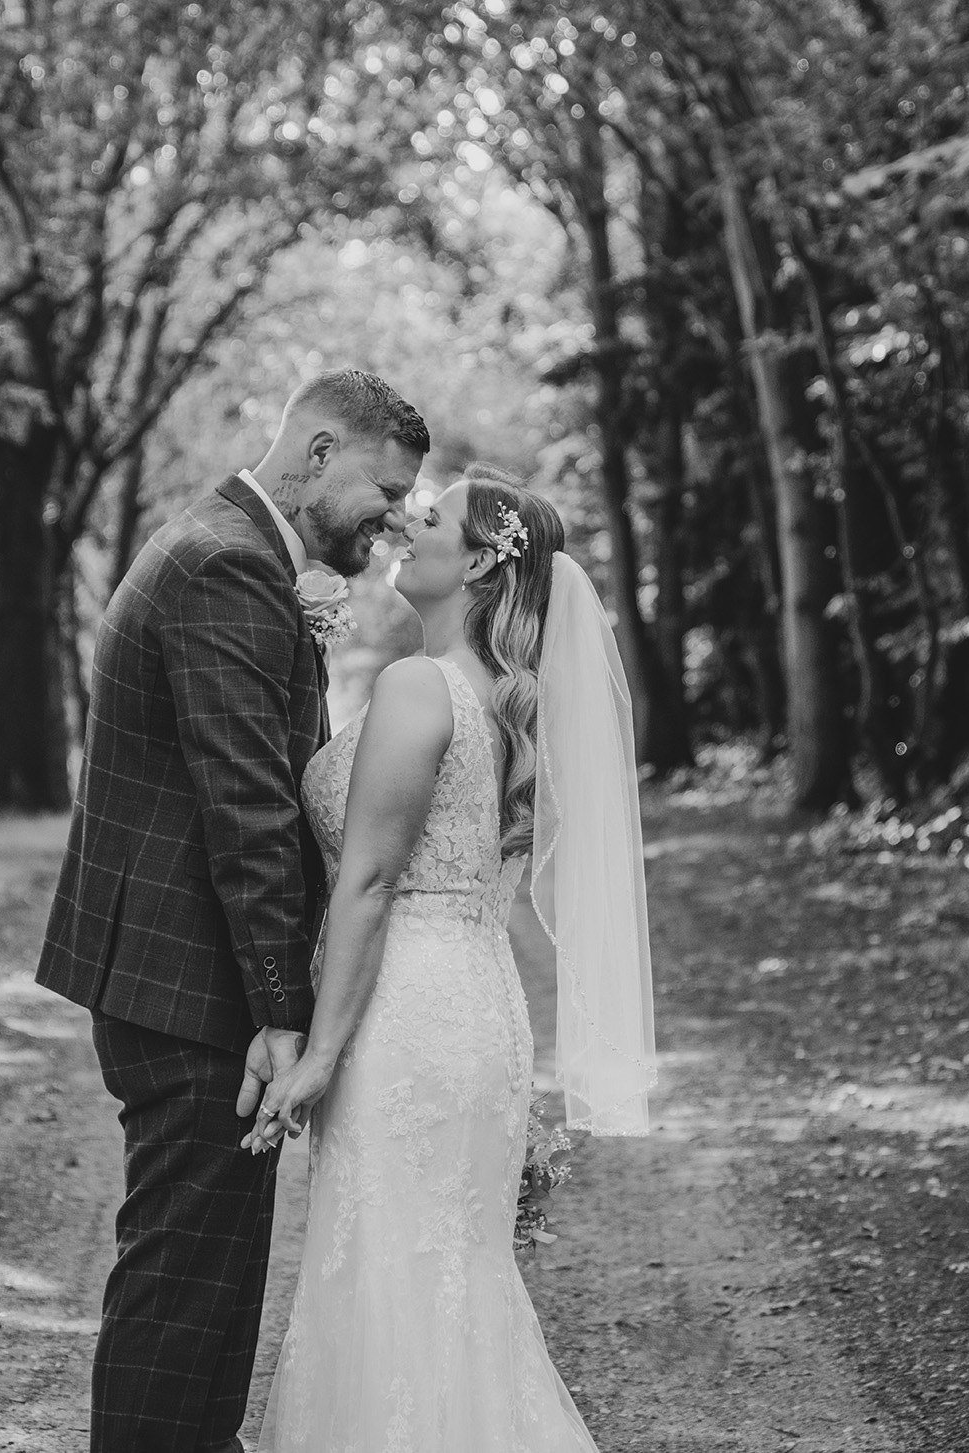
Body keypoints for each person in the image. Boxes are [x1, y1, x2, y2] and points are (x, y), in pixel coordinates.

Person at [35, 369, 428, 1453]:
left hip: (180, 971)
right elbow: (245, 809)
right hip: (188, 982)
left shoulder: (232, 551)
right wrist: (280, 1012)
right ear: (314, 453)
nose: (394, 516)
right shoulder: (222, 568)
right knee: (181, 1280)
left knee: (208, 1280)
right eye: (384, 488)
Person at [245, 464, 658, 1450]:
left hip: (403, 1013)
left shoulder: (419, 688)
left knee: (389, 1277)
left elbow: (370, 884)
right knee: (448, 1282)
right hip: (475, 1002)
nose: (403, 521)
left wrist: (318, 1054)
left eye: (427, 516)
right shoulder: (511, 706)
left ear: (477, 559)